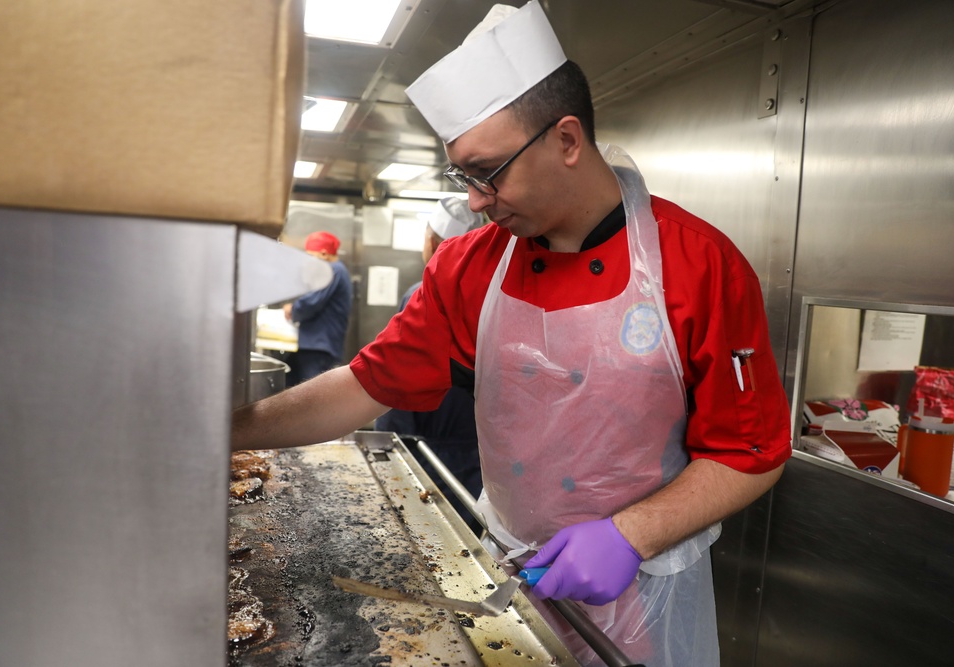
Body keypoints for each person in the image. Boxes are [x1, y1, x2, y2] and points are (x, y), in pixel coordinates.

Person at [233, 3, 791, 665]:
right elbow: (364, 384)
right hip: (511, 580)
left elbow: (751, 451)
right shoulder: (467, 267)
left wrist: (630, 533)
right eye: (461, 175)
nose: (473, 198)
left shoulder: (699, 264)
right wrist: (227, 430)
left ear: (567, 139)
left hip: (647, 590)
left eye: (488, 171)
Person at [375, 197, 482, 528]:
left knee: (433, 538)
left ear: (433, 241)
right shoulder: (491, 297)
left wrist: (388, 440)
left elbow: (403, 376)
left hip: (431, 446)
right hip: (479, 448)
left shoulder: (422, 293)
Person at [281, 231, 352, 386]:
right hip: (317, 344)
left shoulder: (334, 270)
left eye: (311, 256)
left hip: (319, 346)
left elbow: (311, 302)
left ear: (324, 254)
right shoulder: (336, 270)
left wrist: (293, 309)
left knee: (312, 393)